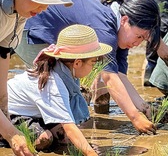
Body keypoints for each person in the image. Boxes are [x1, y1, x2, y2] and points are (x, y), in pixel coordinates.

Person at [14, 0, 161, 134]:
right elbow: (109, 78)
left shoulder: (120, 32)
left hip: (49, 30)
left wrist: (145, 108)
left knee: (67, 86)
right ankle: (27, 124)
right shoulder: (105, 28)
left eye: (143, 40)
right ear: (125, 20)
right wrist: (135, 118)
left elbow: (119, 77)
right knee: (55, 83)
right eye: (139, 36)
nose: (137, 43)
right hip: (32, 28)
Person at [0, 0, 72, 155]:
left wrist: (4, 119)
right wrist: (11, 133)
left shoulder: (19, 11)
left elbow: (2, 63)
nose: (44, 8)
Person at [8, 25, 112, 155]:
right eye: (92, 62)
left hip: (35, 112)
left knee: (64, 139)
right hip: (10, 113)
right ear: (77, 63)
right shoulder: (53, 83)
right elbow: (69, 127)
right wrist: (91, 154)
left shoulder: (67, 74)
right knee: (45, 138)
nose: (94, 67)